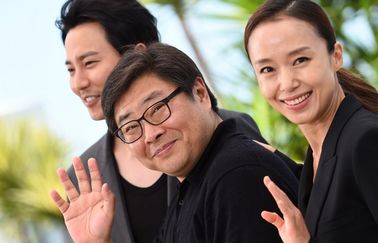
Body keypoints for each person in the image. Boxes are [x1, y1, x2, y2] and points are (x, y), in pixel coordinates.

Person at [55, 0, 288, 242]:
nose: (78, 83)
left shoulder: (228, 143)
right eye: (71, 70)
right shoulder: (84, 178)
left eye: (90, 63)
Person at [244, 0, 378, 242]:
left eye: (300, 60)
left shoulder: (367, 141)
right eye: (268, 69)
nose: (287, 83)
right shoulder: (318, 154)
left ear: (336, 56)